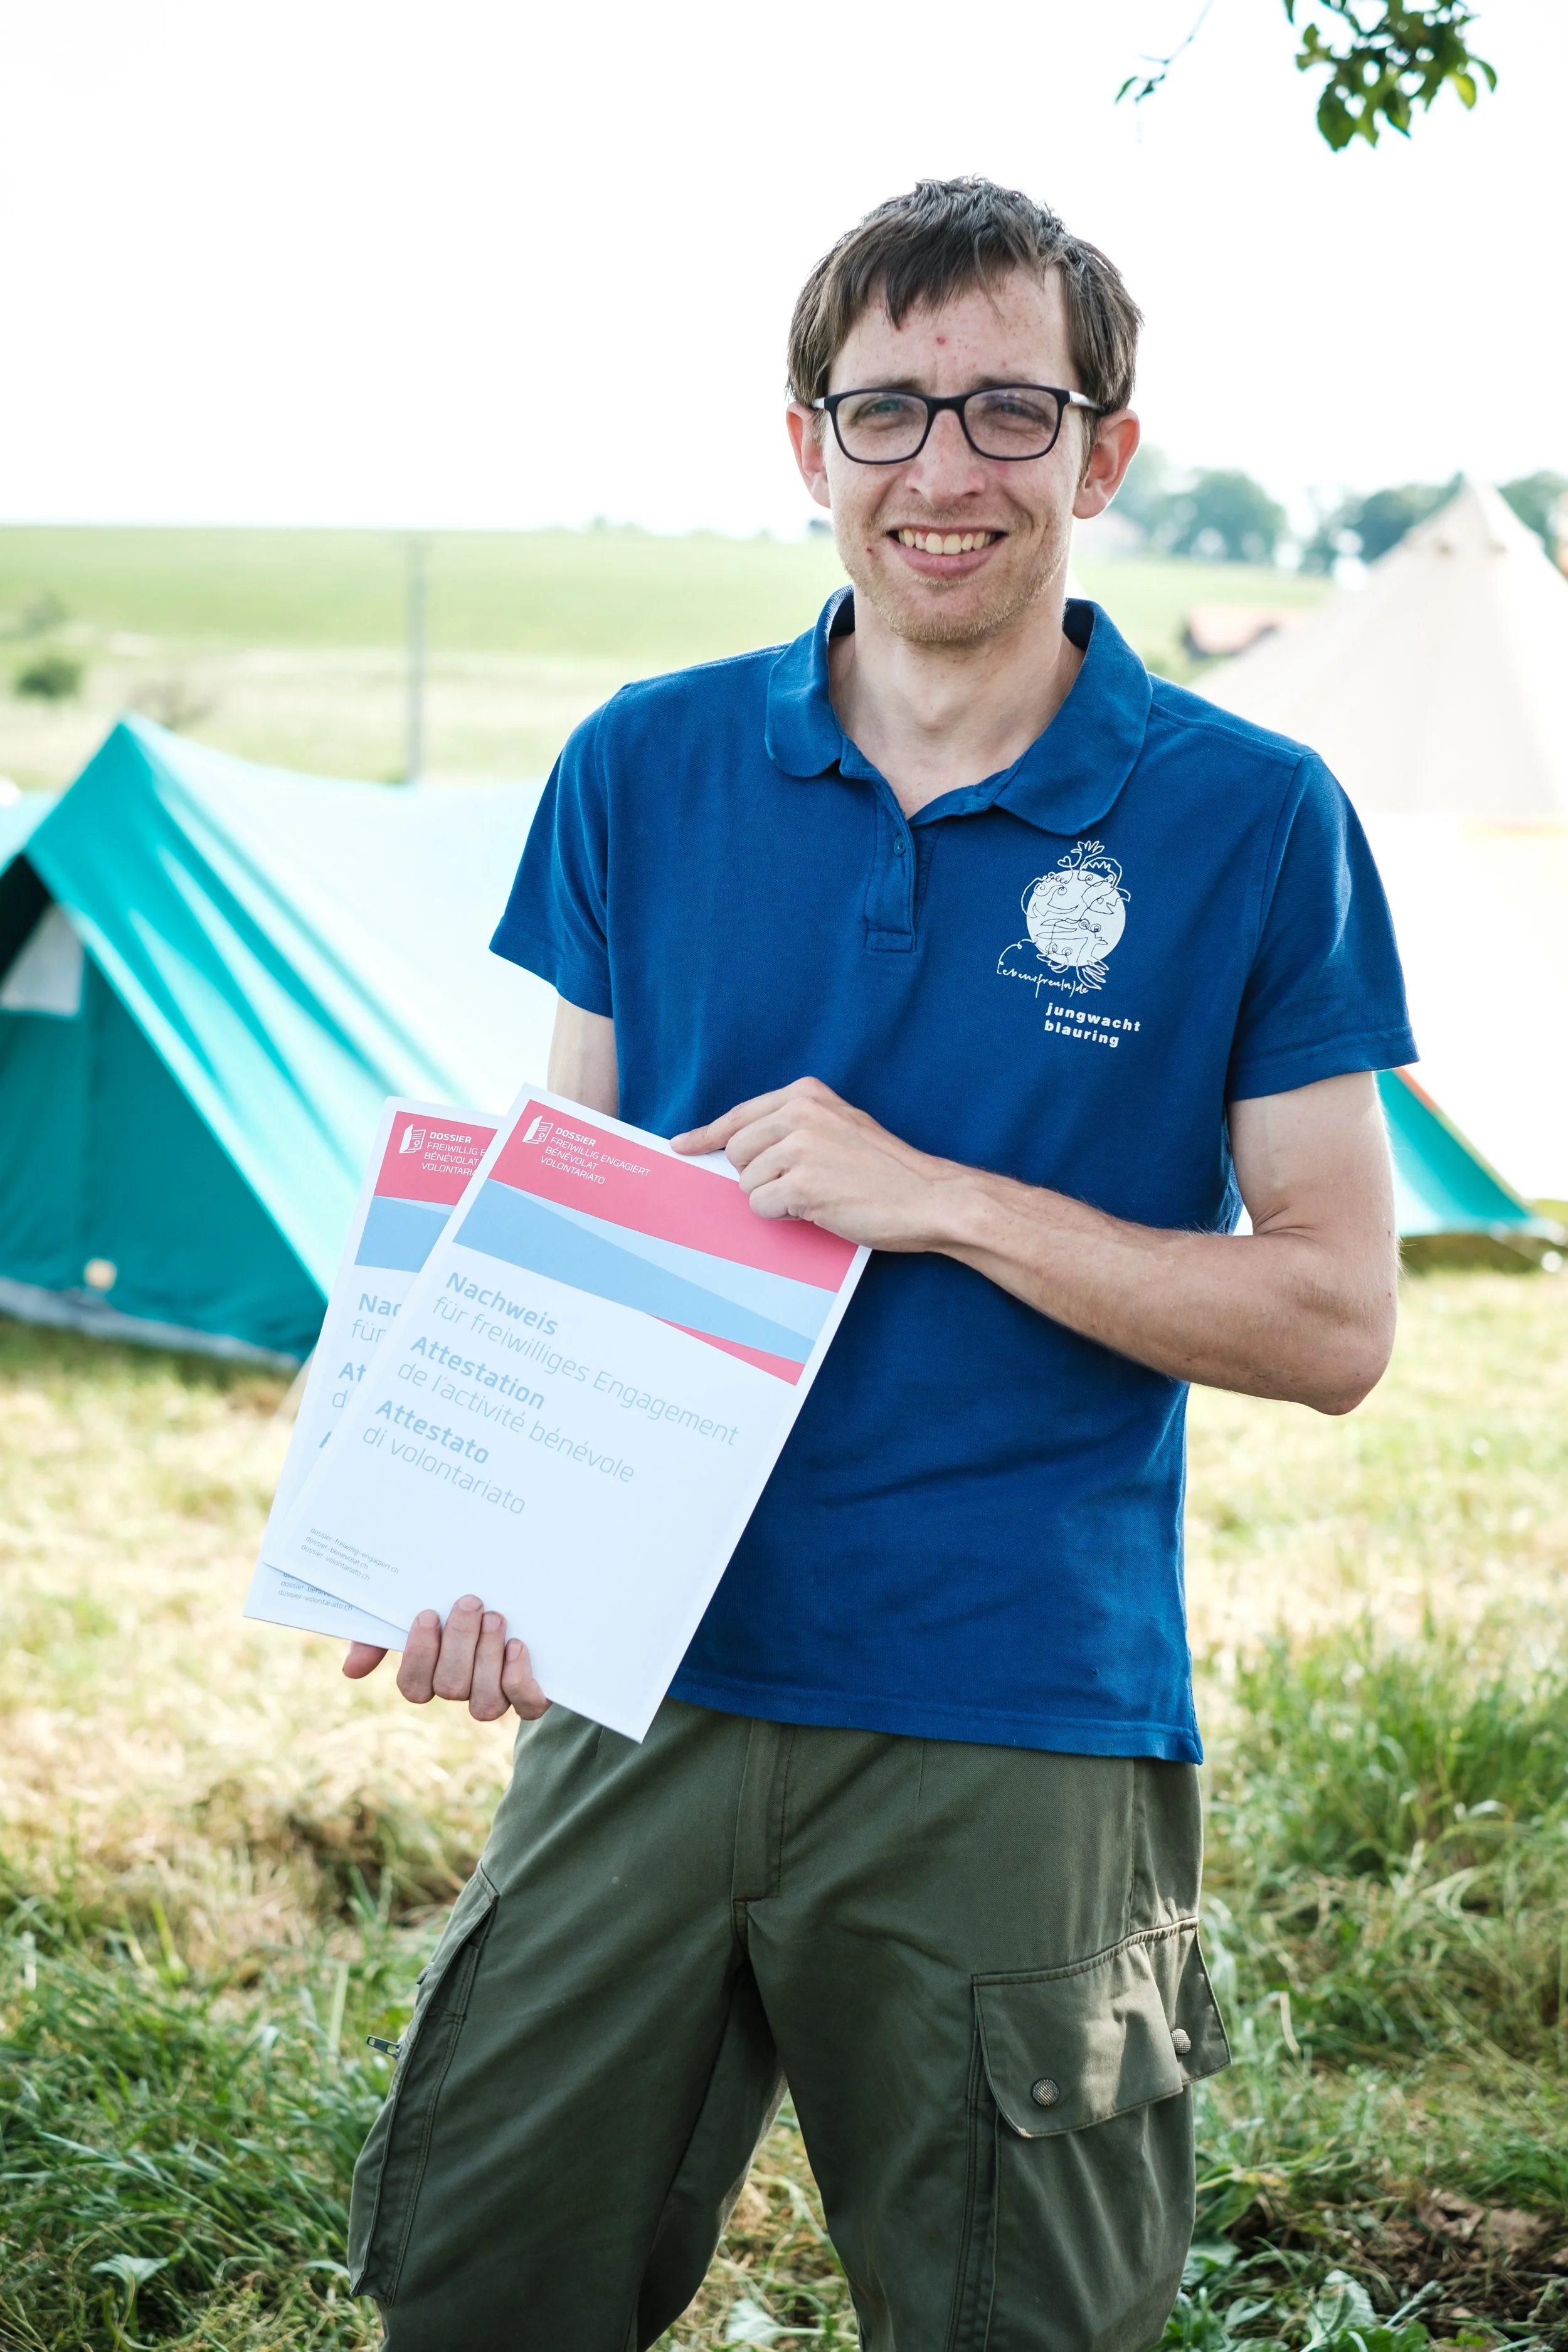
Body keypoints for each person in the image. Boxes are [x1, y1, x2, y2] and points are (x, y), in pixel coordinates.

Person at [339, 177, 1413, 2351]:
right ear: (804, 444)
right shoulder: (642, 767)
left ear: (1105, 453)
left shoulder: (1251, 816)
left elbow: (1333, 1318)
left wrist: (943, 1195)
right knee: (471, 2285)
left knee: (1024, 2321)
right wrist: (475, 1544)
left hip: (1009, 1705)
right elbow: (569, 1215)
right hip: (646, 1679)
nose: (944, 468)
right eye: (886, 409)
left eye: (1011, 409)